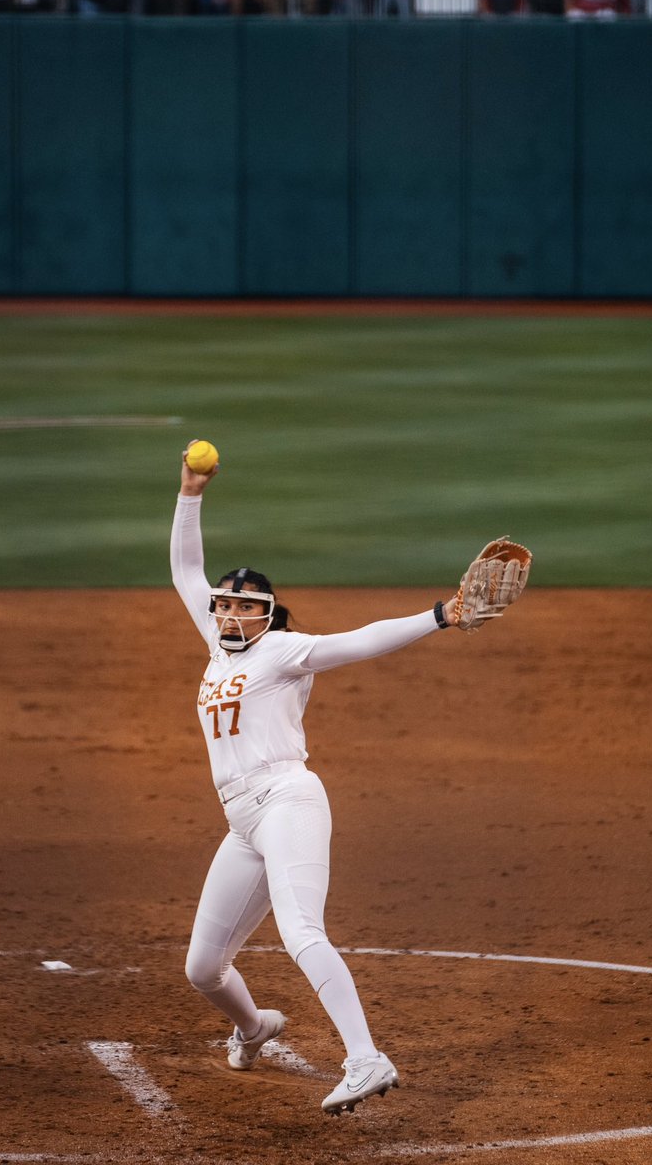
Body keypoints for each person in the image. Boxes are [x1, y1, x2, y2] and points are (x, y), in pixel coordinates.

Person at [170, 444, 468, 1115]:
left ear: (267, 614)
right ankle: (254, 1027)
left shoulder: (283, 651)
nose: (231, 612)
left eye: (246, 605)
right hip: (243, 822)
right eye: (226, 604)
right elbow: (187, 569)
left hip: (287, 800)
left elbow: (362, 639)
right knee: (202, 967)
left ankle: (366, 1058)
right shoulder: (218, 645)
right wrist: (191, 492)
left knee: (301, 929)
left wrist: (439, 615)